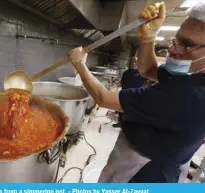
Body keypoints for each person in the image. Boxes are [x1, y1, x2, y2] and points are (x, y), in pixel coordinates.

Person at [68, 1, 205, 183]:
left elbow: (103, 98)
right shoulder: (193, 77)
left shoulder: (190, 95)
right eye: (176, 40)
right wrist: (149, 38)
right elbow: (147, 70)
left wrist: (79, 64)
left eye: (187, 45)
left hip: (145, 171)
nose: (172, 48)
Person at [112, 54, 146, 128]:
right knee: (122, 110)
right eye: (132, 62)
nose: (133, 63)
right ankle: (120, 123)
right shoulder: (126, 72)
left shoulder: (142, 74)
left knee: (132, 112)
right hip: (125, 93)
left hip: (136, 96)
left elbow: (146, 85)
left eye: (136, 62)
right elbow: (122, 82)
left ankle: (130, 126)